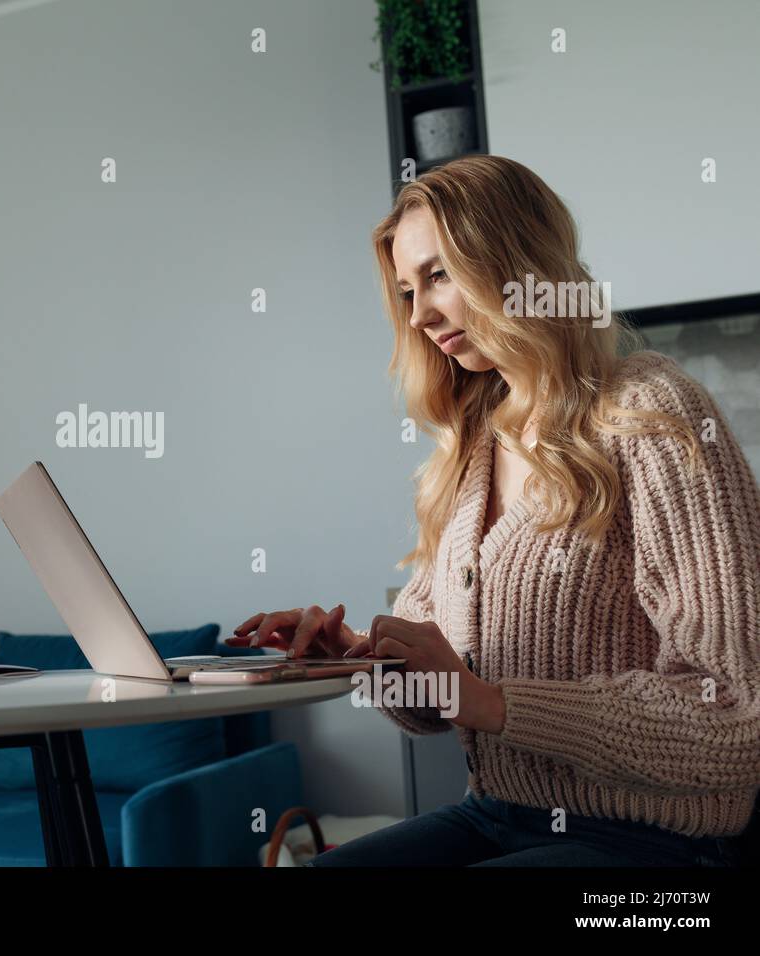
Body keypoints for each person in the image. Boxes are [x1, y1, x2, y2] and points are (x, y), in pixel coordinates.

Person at [229, 155, 760, 866]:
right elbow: (441, 697)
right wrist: (358, 657)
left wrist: (495, 703)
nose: (419, 315)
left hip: (658, 845)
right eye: (406, 291)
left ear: (516, 261)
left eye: (439, 275)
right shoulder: (467, 450)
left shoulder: (649, 412)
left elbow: (735, 716)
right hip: (497, 815)